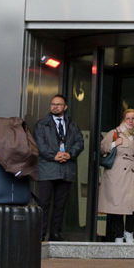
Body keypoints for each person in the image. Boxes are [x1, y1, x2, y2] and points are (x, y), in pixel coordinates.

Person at [33, 93, 84, 243]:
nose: (55, 107)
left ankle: (55, 233)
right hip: (47, 170)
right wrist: (54, 155)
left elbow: (79, 142)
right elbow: (39, 144)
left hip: (66, 170)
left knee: (60, 205)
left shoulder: (72, 125)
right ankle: (41, 233)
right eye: (53, 104)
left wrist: (70, 154)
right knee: (44, 203)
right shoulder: (42, 124)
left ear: (65, 107)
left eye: (58, 104)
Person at [99, 108, 134, 242]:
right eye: (128, 118)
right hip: (117, 175)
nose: (130, 121)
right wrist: (114, 144)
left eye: (133, 118)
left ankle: (128, 232)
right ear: (124, 119)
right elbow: (101, 148)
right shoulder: (115, 132)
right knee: (116, 205)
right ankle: (118, 235)